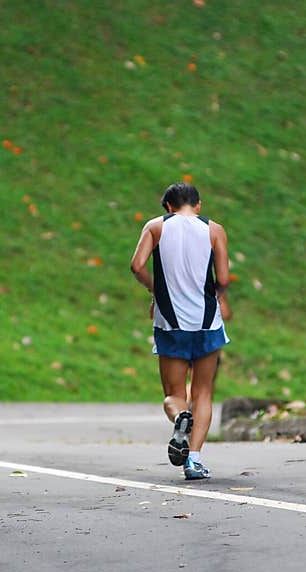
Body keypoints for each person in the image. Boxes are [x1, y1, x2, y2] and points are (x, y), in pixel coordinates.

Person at [130, 182, 231, 480]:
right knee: (203, 392)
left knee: (174, 394)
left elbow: (137, 265)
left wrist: (154, 291)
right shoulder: (214, 230)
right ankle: (194, 460)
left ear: (169, 207)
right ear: (197, 205)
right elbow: (223, 277)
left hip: (170, 323)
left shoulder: (155, 227)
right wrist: (220, 296)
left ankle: (179, 417)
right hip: (207, 324)